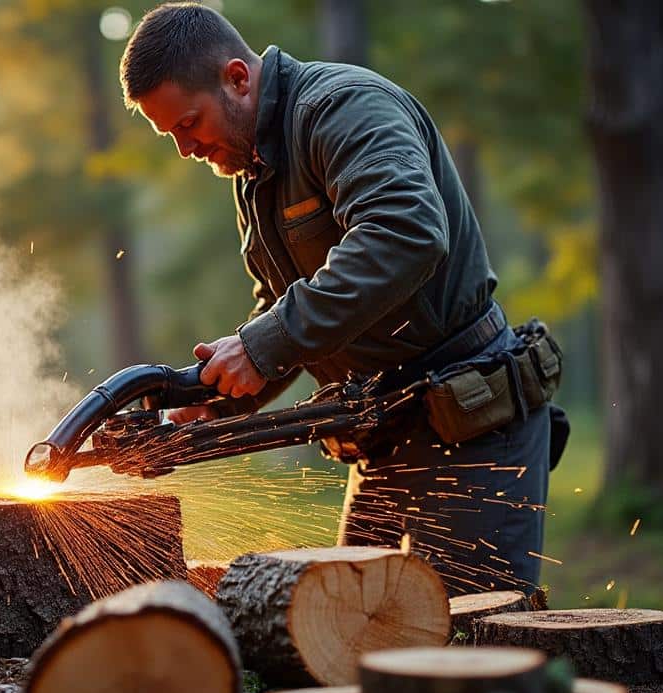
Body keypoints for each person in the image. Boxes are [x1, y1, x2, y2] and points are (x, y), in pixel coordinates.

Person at [119, 3, 555, 596]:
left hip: (472, 424)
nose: (186, 149)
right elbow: (287, 310)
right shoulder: (256, 169)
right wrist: (211, 403)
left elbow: (405, 233)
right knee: (343, 635)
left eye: (188, 124)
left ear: (237, 79)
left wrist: (264, 342)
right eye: (171, 134)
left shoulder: (342, 107)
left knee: (468, 648)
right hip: (381, 430)